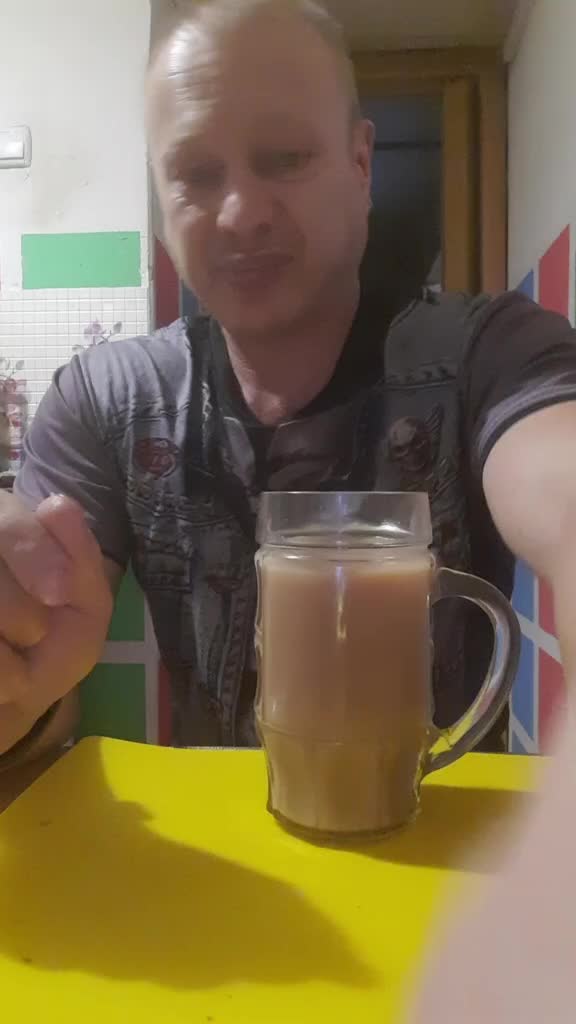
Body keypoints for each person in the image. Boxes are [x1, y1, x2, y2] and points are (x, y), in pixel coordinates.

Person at [1, 0, 576, 764]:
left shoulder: (493, 353)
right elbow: (41, 677)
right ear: (162, 203)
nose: (241, 214)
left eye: (286, 157)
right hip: (221, 837)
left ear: (361, 165)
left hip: (449, 834)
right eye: (196, 174)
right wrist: (23, 690)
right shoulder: (106, 401)